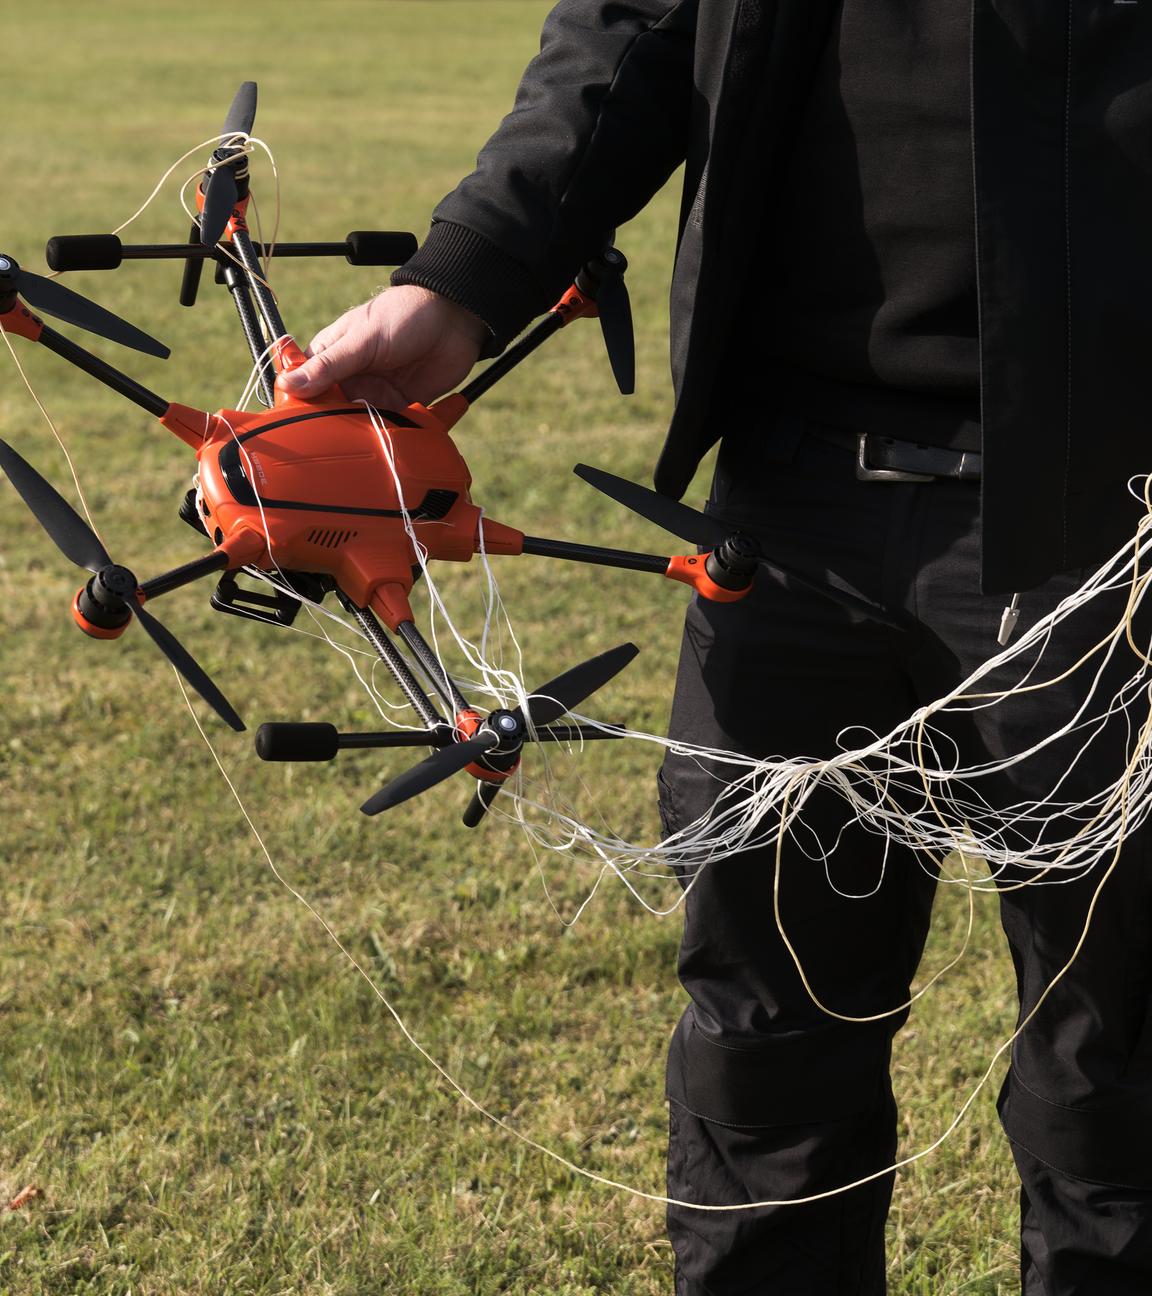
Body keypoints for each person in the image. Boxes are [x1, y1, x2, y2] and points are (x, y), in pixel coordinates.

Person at [280, 3, 1152, 1292]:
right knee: (764, 1047)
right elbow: (629, 31)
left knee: (1114, 1073)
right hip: (786, 513)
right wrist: (462, 278)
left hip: (1110, 514)